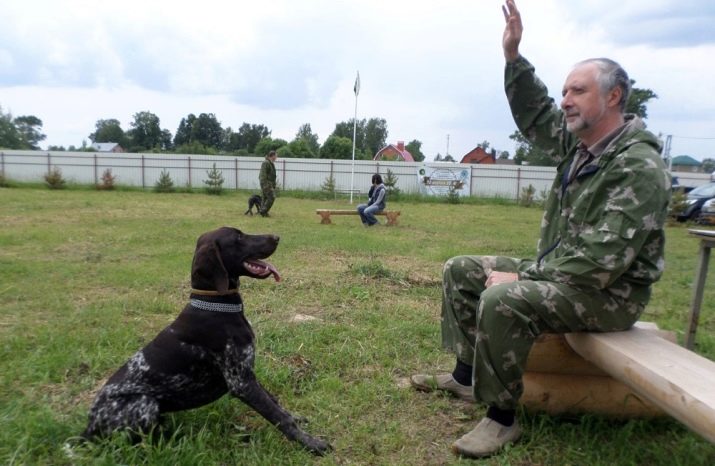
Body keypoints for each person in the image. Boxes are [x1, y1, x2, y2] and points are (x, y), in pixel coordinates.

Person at [411, 0, 670, 459]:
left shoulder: (638, 166)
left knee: (503, 296)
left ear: (614, 97)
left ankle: (501, 418)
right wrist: (513, 58)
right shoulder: (582, 146)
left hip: (609, 294)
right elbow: (536, 116)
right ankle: (465, 376)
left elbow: (601, 260)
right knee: (462, 269)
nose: (566, 100)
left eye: (578, 91)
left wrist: (526, 276)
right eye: (565, 90)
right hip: (565, 274)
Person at [259, 150, 277, 217]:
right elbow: (263, 175)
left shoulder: (270, 163)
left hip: (269, 184)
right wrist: (266, 185)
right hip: (266, 184)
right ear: (272, 156)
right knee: (272, 197)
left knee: (265, 198)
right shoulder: (266, 163)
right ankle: (263, 211)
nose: (276, 157)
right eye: (276, 156)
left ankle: (263, 212)